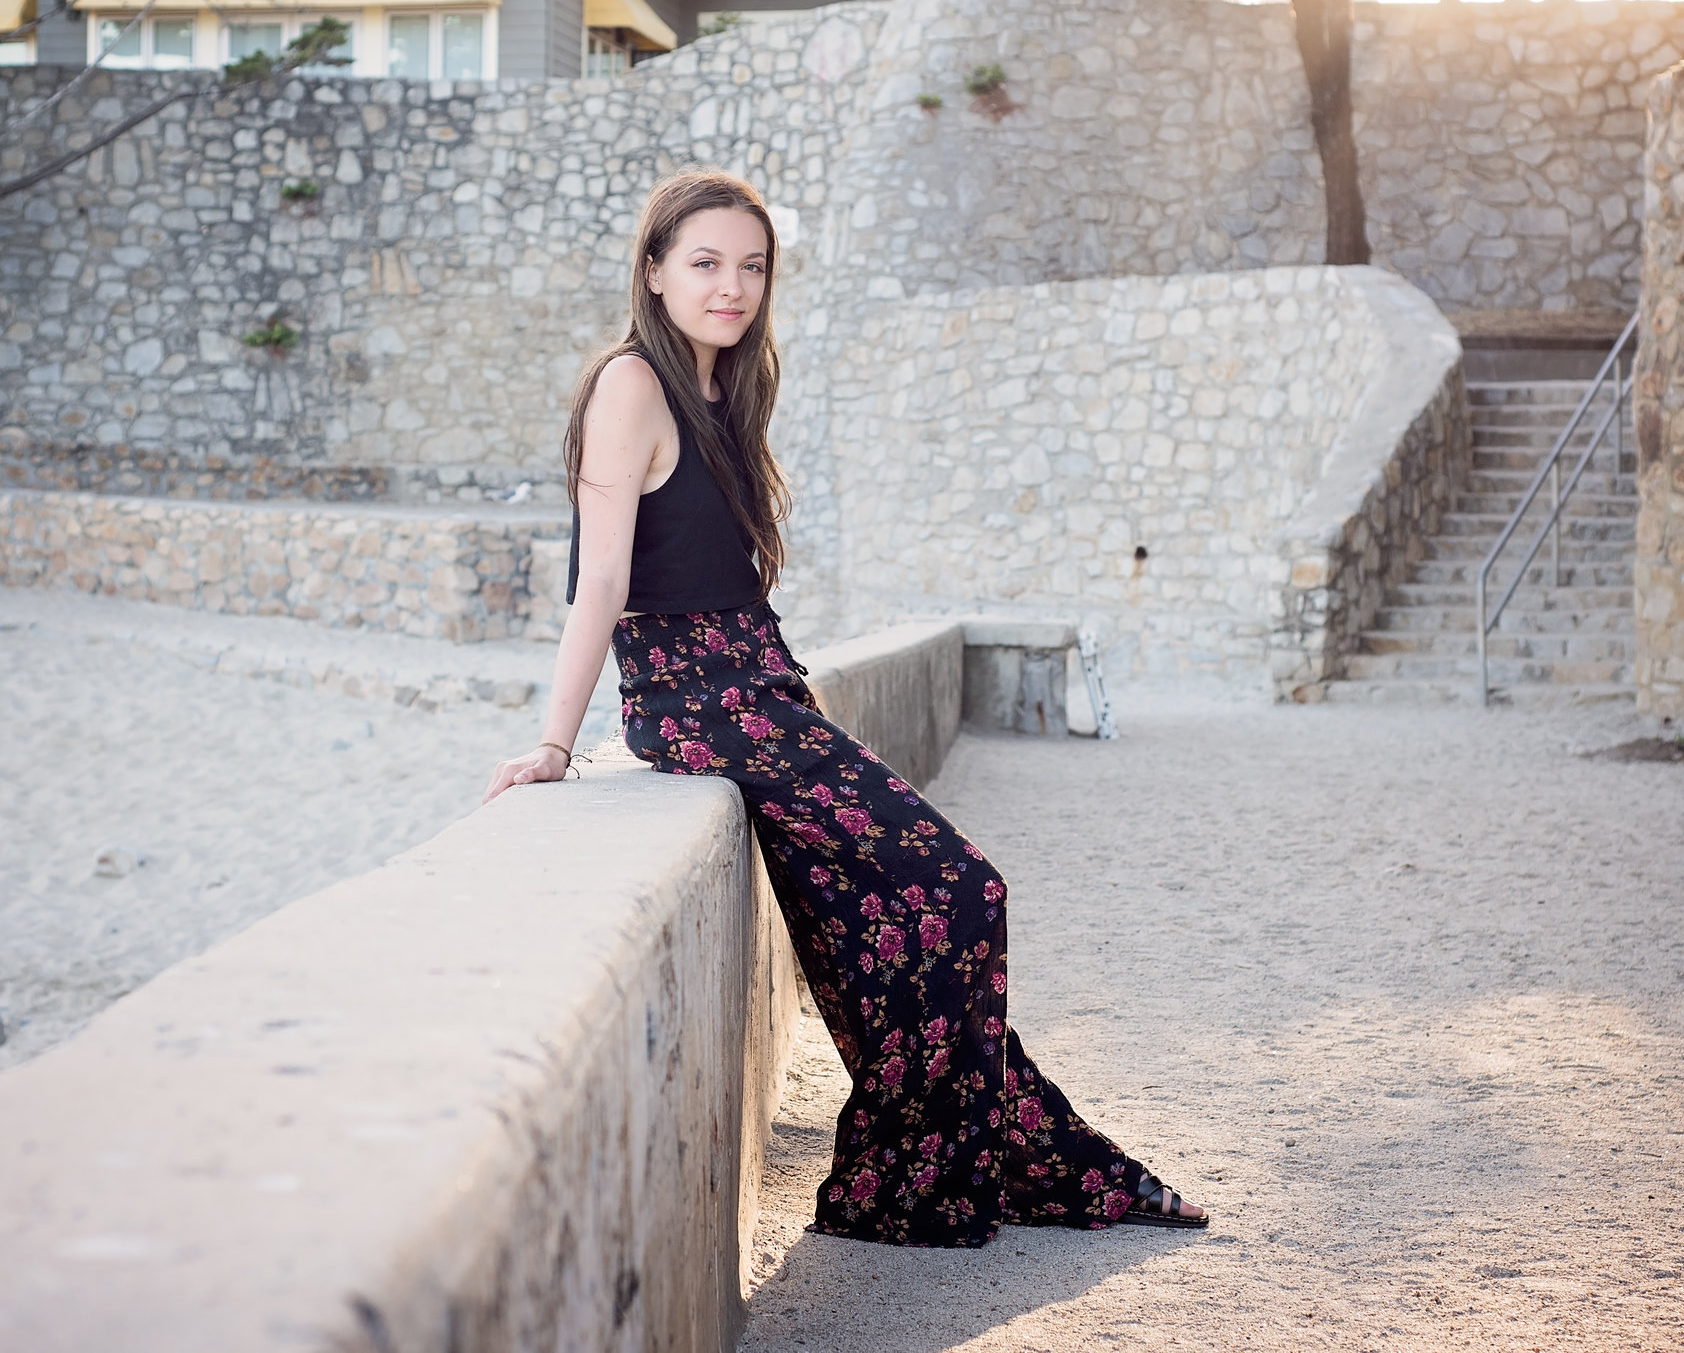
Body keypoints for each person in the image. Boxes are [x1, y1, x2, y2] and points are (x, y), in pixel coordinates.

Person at [482, 168, 1205, 1248]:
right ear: (653, 271)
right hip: (699, 702)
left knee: (898, 925)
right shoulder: (632, 385)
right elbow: (599, 584)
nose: (732, 287)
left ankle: (1022, 1164)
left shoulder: (725, 389)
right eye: (706, 264)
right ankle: (906, 1184)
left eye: (752, 267)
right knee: (964, 890)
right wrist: (552, 742)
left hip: (755, 690)